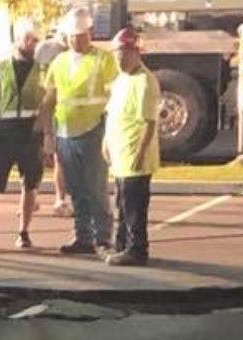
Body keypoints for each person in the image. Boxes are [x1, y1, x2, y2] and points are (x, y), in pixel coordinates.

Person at [43, 7, 118, 255]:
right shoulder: (59, 62)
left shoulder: (103, 59)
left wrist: (109, 132)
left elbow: (114, 97)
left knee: (95, 187)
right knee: (76, 189)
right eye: (73, 36)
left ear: (90, 33)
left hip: (93, 130)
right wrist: (47, 134)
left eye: (81, 35)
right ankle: (83, 237)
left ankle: (103, 237)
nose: (77, 40)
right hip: (65, 132)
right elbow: (50, 98)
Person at [0, 19, 44, 249]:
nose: (32, 44)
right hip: (4, 129)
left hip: (30, 130)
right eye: (28, 39)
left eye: (35, 40)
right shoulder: (0, 66)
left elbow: (47, 98)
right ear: (17, 40)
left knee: (30, 183)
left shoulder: (40, 68)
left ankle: (23, 232)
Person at [103, 27, 161, 266]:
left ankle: (136, 249)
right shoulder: (121, 80)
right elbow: (113, 114)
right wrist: (105, 141)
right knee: (122, 203)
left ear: (136, 53)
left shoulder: (145, 81)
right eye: (117, 55)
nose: (119, 59)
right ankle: (122, 244)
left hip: (134, 156)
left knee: (134, 205)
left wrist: (140, 152)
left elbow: (149, 122)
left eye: (124, 54)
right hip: (120, 155)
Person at [34, 28, 71, 217]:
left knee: (57, 156)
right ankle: (35, 196)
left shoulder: (71, 52)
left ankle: (58, 198)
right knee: (40, 154)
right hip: (45, 104)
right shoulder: (46, 49)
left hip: (57, 107)